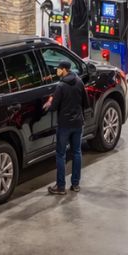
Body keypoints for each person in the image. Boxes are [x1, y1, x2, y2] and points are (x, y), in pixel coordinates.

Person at [44, 61, 89, 194]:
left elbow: (53, 107)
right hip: (78, 124)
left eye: (58, 69)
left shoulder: (61, 86)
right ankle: (75, 185)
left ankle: (60, 187)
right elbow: (86, 102)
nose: (56, 71)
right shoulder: (79, 82)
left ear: (64, 70)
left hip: (64, 125)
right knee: (77, 152)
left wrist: (50, 101)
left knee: (61, 155)